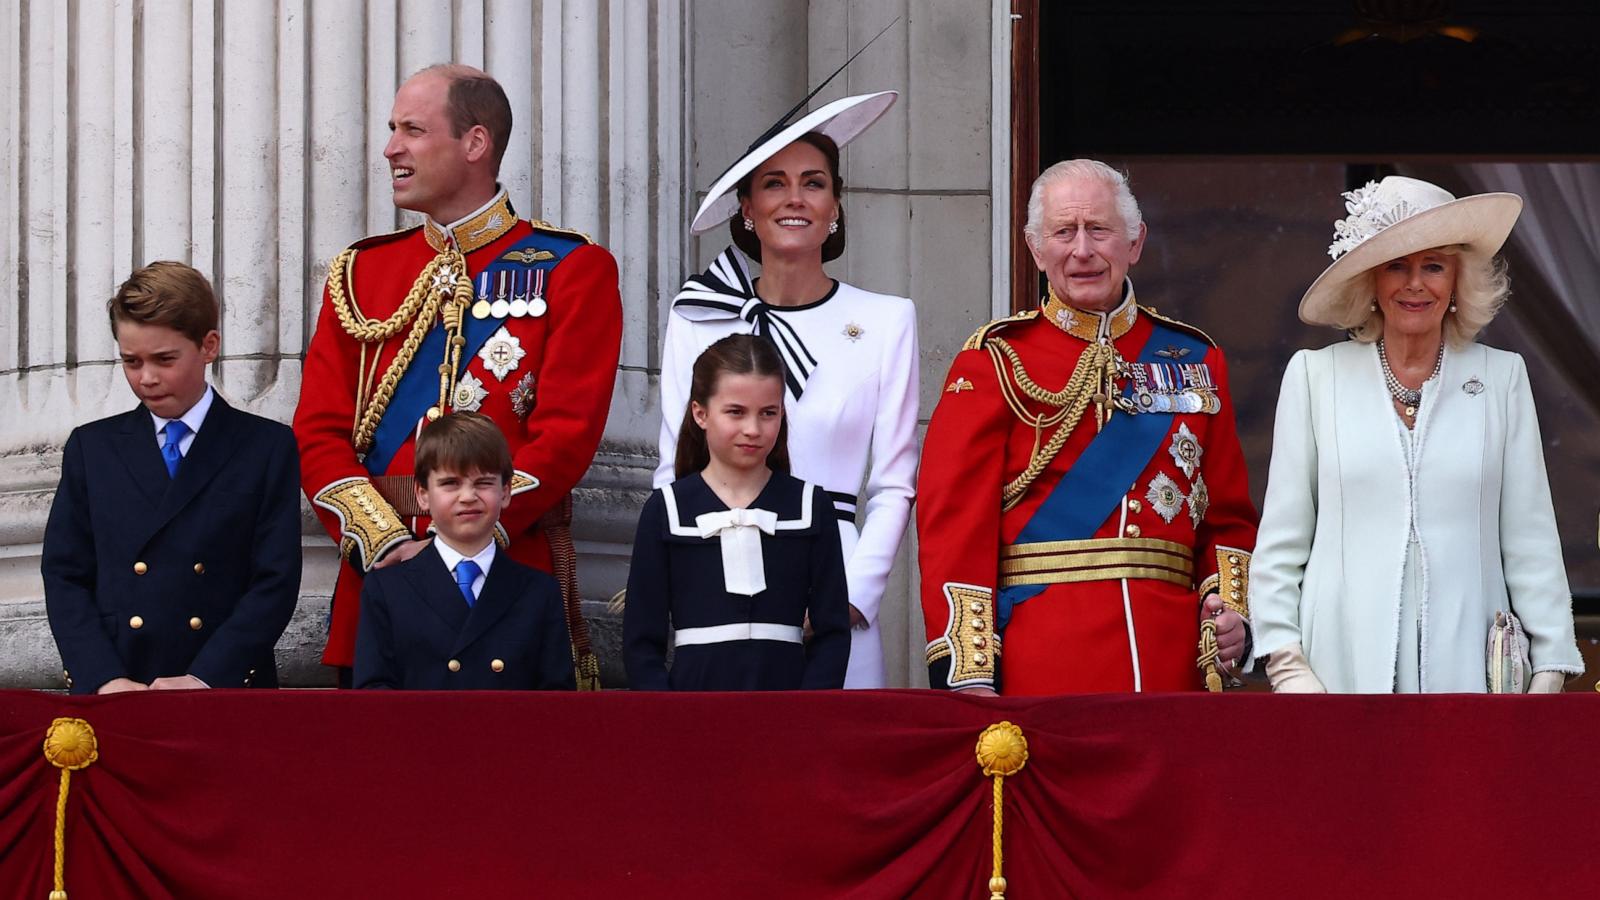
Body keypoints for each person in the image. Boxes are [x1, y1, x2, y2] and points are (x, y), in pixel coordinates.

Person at [294, 64, 621, 688]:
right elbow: (318, 431)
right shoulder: (362, 273)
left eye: (412, 130)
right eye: (393, 129)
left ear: (475, 144)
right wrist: (387, 545)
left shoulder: (572, 268)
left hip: (505, 580)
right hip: (378, 585)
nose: (391, 147)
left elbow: (566, 435)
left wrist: (469, 533)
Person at [917, 160, 1259, 695]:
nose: (1082, 250)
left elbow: (1229, 518)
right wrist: (970, 673)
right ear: (1035, 248)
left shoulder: (1196, 358)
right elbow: (953, 527)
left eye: (1099, 229)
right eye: (1063, 232)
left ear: (1135, 241)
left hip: (1171, 663)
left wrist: (1232, 616)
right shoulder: (997, 360)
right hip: (1042, 658)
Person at [1250, 175, 1583, 693]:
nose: (1415, 284)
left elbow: (1530, 538)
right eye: (1396, 267)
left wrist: (1550, 667)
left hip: (1472, 669)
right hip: (1337, 670)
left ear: (1457, 281)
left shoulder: (1501, 377)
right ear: (1370, 282)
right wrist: (1288, 665)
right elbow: (1281, 541)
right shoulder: (1316, 377)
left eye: (1433, 266)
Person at [657, 90, 917, 688]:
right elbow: (673, 469)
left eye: (814, 182)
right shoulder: (699, 316)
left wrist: (850, 596)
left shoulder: (886, 320)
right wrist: (695, 585)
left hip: (836, 575)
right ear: (745, 207)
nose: (795, 198)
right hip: (719, 572)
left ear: (835, 206)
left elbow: (895, 483)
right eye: (774, 183)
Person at [43, 261, 301, 694]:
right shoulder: (93, 448)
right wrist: (103, 678)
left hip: (223, 691)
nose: (146, 378)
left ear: (209, 345)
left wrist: (207, 678)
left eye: (164, 359)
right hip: (118, 687)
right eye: (131, 361)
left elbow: (275, 580)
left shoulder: (265, 447)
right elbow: (65, 574)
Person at [627, 335, 850, 691]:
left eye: (768, 413)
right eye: (736, 412)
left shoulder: (811, 506)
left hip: (788, 710)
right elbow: (641, 642)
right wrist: (667, 716)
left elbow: (832, 632)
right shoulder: (666, 510)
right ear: (700, 413)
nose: (753, 429)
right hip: (692, 710)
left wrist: (810, 713)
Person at [354, 412, 575, 690]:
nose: (468, 496)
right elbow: (375, 696)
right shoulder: (387, 589)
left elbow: (556, 703)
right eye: (450, 484)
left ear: (506, 491)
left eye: (483, 483)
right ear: (423, 494)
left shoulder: (539, 592)